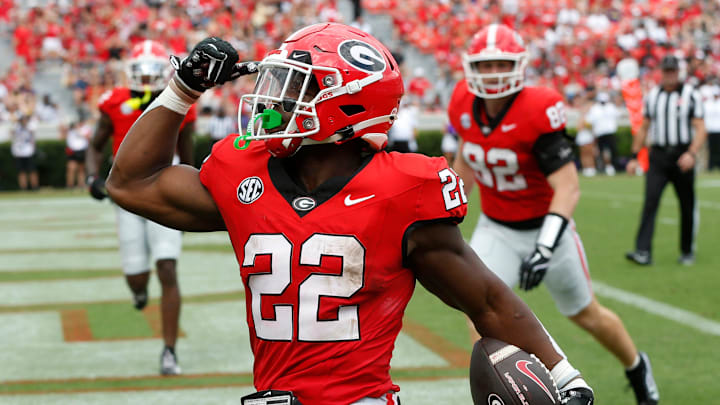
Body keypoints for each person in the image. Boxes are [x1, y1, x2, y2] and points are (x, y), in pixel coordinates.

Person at [106, 25, 594, 405]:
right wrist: (181, 89)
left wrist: (565, 375)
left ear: (344, 104)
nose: (271, 98)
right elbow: (130, 182)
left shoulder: (401, 188)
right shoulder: (243, 172)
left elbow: (486, 300)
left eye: (292, 85)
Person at [449, 24, 658, 405]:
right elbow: (468, 157)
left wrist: (544, 248)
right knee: (477, 310)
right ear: (470, 68)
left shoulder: (537, 107)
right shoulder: (463, 101)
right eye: (486, 65)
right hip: (496, 227)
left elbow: (568, 186)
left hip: (548, 227)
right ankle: (504, 394)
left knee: (585, 314)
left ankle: (636, 367)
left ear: (519, 66)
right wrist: (448, 208)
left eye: (502, 64)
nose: (494, 73)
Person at [85, 40, 197, 375]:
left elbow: (187, 154)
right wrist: (92, 176)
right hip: (129, 193)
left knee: (167, 267)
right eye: (140, 71)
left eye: (152, 71)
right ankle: (138, 291)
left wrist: (195, 198)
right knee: (136, 276)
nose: (146, 79)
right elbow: (94, 144)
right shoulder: (116, 102)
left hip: (167, 188)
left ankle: (169, 351)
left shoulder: (179, 101)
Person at [625, 54, 706, 266]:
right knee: (650, 202)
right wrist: (634, 156)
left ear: (678, 72)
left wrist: (691, 153)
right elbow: (644, 127)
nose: (669, 75)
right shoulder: (653, 96)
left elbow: (700, 128)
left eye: (672, 71)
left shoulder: (690, 94)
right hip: (659, 156)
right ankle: (643, 251)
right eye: (666, 71)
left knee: (686, 204)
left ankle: (687, 250)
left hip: (682, 155)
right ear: (662, 72)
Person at [585, 91, 620, 175]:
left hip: (609, 132)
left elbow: (618, 115)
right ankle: (603, 167)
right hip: (600, 133)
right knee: (601, 151)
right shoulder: (595, 108)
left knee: (612, 150)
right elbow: (589, 120)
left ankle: (613, 167)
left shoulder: (610, 107)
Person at [11, 114, 39, 191]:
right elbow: (12, 133)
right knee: (21, 171)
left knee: (32, 170)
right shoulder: (16, 127)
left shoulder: (30, 127)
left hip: (28, 152)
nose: (24, 122)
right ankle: (23, 188)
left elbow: (32, 135)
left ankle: (35, 187)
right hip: (19, 152)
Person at [62, 119, 91, 189]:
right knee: (71, 168)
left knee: (81, 169)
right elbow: (62, 133)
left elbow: (88, 137)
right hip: (72, 150)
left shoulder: (86, 128)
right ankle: (70, 185)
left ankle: (81, 185)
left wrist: (78, 130)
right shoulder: (71, 129)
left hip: (82, 150)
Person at [704, 86, 720, 170]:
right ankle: (711, 166)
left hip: (718, 130)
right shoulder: (708, 104)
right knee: (711, 149)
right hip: (710, 130)